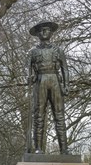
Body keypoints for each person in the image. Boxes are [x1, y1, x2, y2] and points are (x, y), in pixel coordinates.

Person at [28, 20, 69, 154]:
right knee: (39, 115)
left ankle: (64, 149)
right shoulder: (32, 52)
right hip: (41, 80)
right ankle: (38, 148)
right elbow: (27, 69)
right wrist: (29, 77)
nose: (44, 32)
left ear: (51, 32)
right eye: (41, 30)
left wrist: (66, 85)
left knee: (60, 115)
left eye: (46, 30)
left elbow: (65, 69)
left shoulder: (58, 50)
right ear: (38, 34)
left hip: (55, 80)